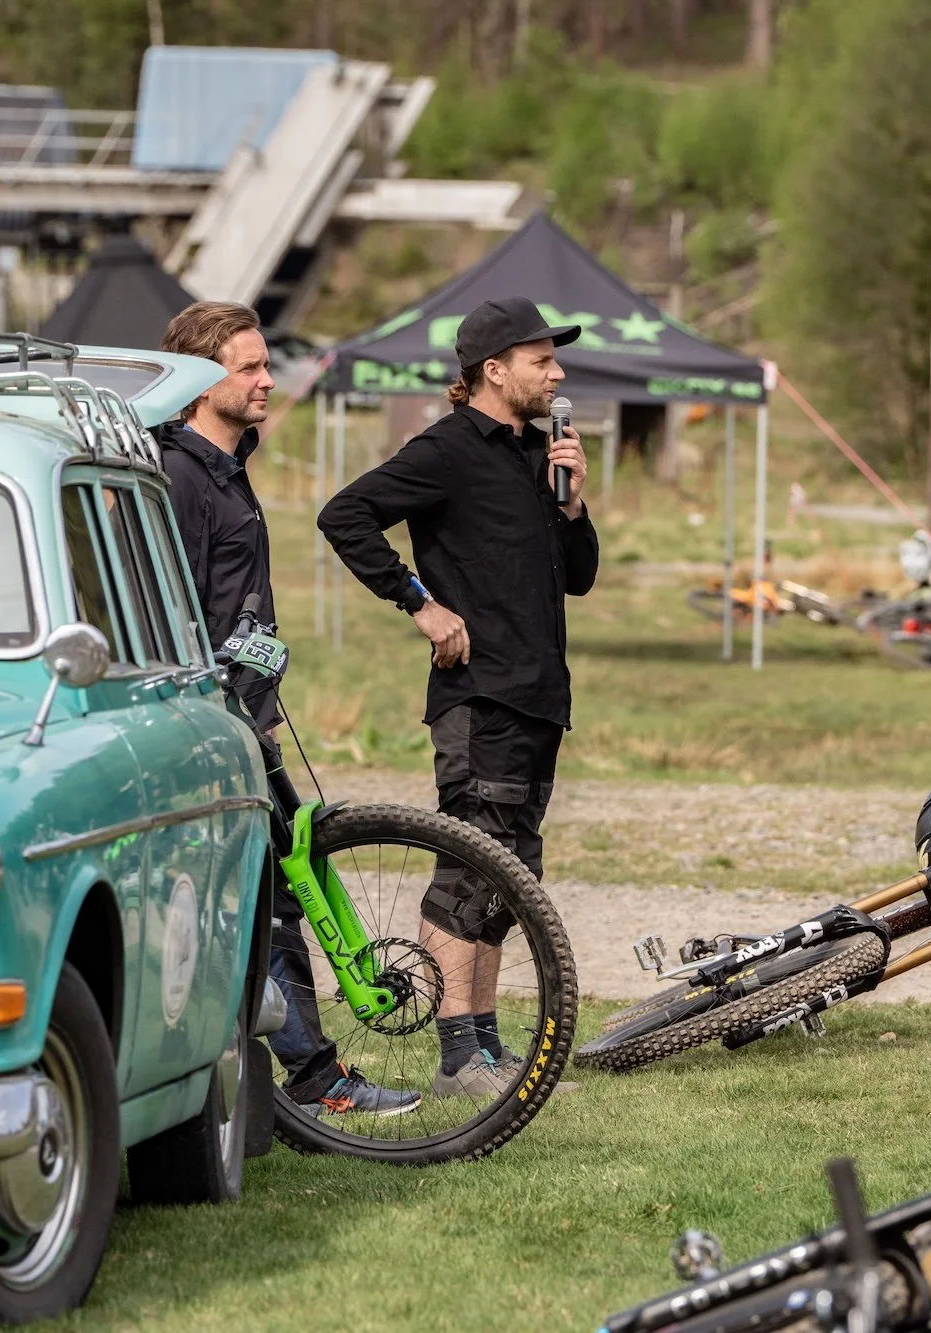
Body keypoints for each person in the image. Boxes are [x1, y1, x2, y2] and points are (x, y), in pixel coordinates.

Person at [318, 296, 598, 1098]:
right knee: (468, 870)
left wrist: (573, 503)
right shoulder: (446, 449)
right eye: (543, 360)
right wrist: (421, 603)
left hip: (538, 696)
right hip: (480, 697)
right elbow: (345, 515)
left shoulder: (536, 454)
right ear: (493, 369)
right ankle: (455, 1058)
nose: (558, 373)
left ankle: (487, 1048)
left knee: (508, 881)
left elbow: (579, 576)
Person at [155, 301, 420, 1118]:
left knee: (277, 894)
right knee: (266, 901)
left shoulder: (227, 466)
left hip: (247, 718)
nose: (269, 380)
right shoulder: (180, 475)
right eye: (251, 367)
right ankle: (312, 1078)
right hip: (210, 724)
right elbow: (173, 610)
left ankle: (295, 1076)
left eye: (267, 364)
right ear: (204, 381)